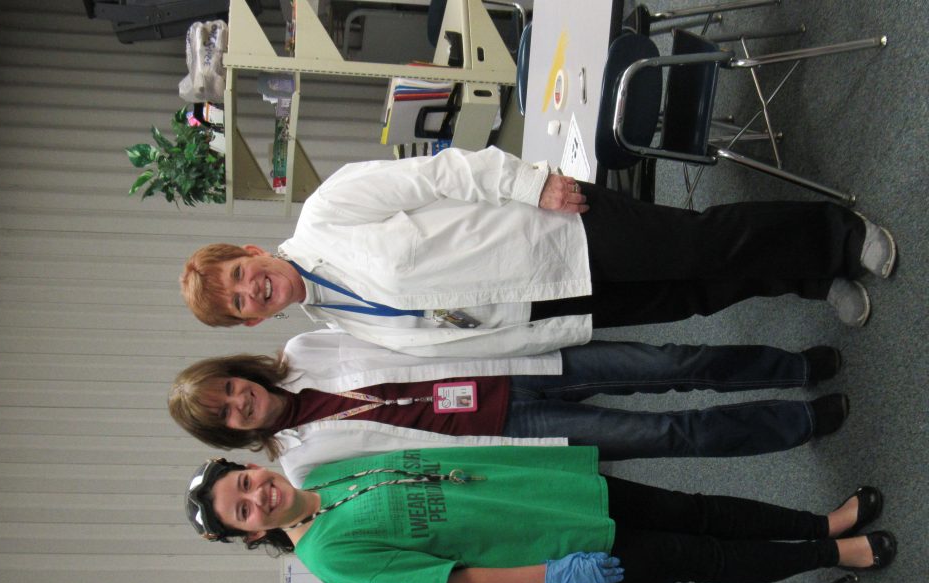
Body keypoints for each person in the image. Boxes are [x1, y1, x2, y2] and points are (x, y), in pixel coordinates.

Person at [179, 147, 896, 358]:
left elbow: (439, 174)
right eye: (240, 303)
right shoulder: (337, 324)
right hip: (546, 308)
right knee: (693, 295)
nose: (252, 289)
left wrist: (531, 183)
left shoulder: (328, 213)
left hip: (549, 230)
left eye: (240, 275)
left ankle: (838, 234)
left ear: (249, 251)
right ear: (252, 321)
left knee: (701, 244)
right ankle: (810, 276)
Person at [183, 446, 895, 583]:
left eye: (245, 482)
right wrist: (557, 576)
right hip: (559, 554)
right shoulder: (332, 559)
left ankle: (821, 521)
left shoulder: (324, 475)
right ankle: (832, 553)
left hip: (555, 498)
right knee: (700, 556)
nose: (257, 495)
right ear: (251, 535)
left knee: (697, 509)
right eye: (243, 510)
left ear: (251, 465)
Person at [169, 330, 848, 485]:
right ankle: (802, 422)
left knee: (670, 364)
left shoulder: (303, 350)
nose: (240, 401)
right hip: (510, 430)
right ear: (228, 434)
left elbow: (400, 334)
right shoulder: (300, 467)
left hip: (507, 363)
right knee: (668, 434)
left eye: (228, 387)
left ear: (237, 372)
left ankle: (792, 368)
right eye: (225, 414)